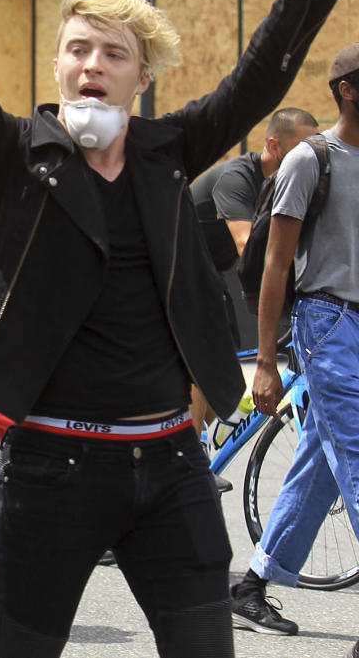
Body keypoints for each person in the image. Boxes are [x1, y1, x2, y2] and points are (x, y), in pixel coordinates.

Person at [0, 0, 344, 657]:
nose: (92, 65)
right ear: (57, 65)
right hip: (49, 467)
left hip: (171, 468)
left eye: (114, 53)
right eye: (79, 49)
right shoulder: (15, 155)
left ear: (138, 78)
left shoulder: (167, 150)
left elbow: (254, 82)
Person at [231, 43, 359, 646]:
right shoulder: (312, 159)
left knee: (323, 463)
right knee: (356, 454)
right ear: (348, 91)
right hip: (325, 321)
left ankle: (252, 582)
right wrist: (265, 361)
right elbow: (276, 265)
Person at [188, 107, 319, 430]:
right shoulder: (237, 179)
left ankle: (207, 453)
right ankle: (191, 465)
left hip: (212, 272)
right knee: (202, 361)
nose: (310, 157)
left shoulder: (288, 182)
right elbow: (247, 246)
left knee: (224, 367)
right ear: (274, 146)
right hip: (181, 270)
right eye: (302, 148)